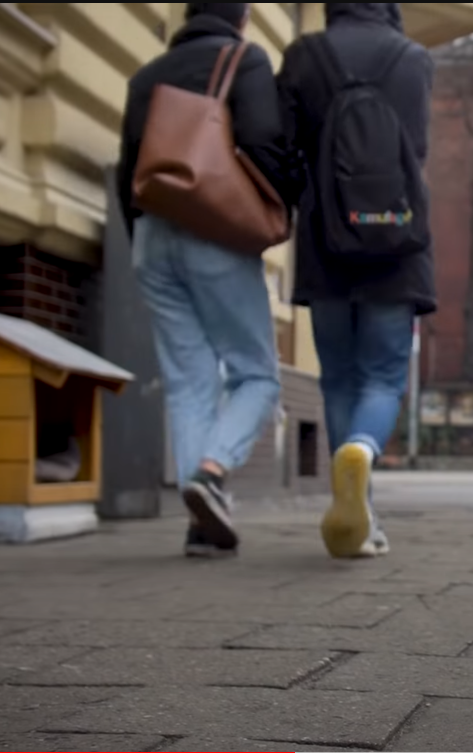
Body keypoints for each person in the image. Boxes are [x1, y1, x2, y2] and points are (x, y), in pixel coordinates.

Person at [117, 2, 297, 558]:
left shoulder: (147, 75)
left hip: (152, 236)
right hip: (213, 231)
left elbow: (129, 167)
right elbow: (264, 141)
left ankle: (203, 526)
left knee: (189, 381)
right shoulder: (244, 58)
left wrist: (141, 235)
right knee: (257, 376)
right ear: (241, 18)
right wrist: (278, 206)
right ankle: (213, 474)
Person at [278, 2, 435, 558]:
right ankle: (363, 453)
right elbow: (414, 150)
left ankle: (357, 507)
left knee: (338, 376)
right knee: (384, 377)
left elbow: (283, 144)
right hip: (394, 238)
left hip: (325, 240)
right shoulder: (413, 58)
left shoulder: (303, 54)